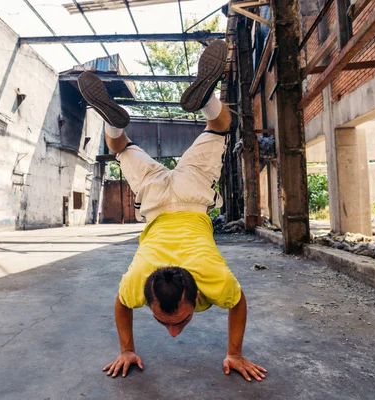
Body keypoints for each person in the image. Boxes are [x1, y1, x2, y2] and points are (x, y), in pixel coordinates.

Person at [78, 40, 267, 382]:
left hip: (192, 195)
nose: (174, 332)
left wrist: (126, 350)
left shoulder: (213, 278)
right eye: (172, 321)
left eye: (175, 321)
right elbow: (122, 303)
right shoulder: (138, 282)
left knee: (220, 127)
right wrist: (233, 354)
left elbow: (238, 302)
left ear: (197, 294)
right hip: (154, 198)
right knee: (120, 147)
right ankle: (115, 122)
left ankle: (205, 98)